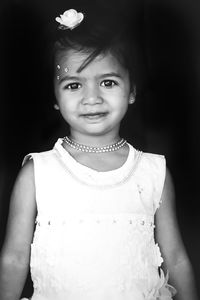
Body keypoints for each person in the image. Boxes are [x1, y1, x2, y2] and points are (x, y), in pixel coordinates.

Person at [0, 7, 198, 300]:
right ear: (55, 98)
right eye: (74, 85)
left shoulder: (152, 172)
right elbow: (14, 258)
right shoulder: (38, 173)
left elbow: (176, 257)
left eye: (108, 82)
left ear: (132, 91)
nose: (91, 98)